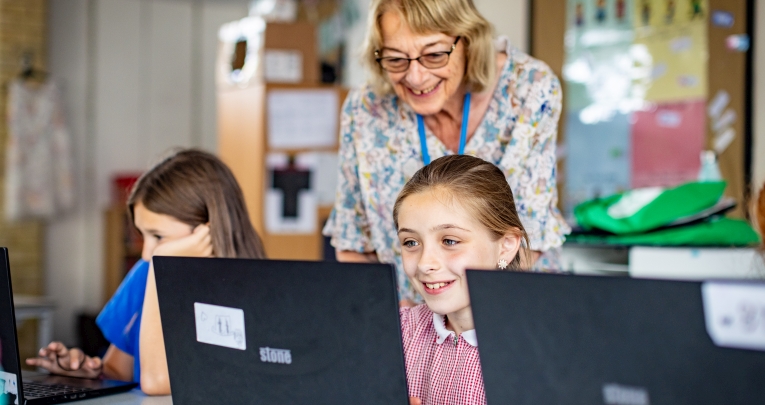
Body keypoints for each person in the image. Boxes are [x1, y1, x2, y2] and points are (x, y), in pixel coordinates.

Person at [323, 0, 569, 305]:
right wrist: (404, 321)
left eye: (435, 55)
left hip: (511, 305)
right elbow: (353, 241)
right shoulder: (366, 109)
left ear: (468, 41)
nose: (415, 77)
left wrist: (458, 319)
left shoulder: (529, 88)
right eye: (396, 59)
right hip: (407, 317)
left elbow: (530, 233)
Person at [26, 149, 266, 395]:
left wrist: (160, 269)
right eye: (143, 235)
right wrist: (84, 372)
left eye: (159, 236)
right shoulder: (145, 273)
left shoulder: (249, 293)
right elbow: (119, 371)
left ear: (208, 232)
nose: (146, 254)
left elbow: (156, 382)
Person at [393, 155, 529, 405]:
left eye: (450, 241)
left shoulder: (542, 351)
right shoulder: (393, 334)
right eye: (411, 242)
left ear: (506, 246)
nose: (425, 263)